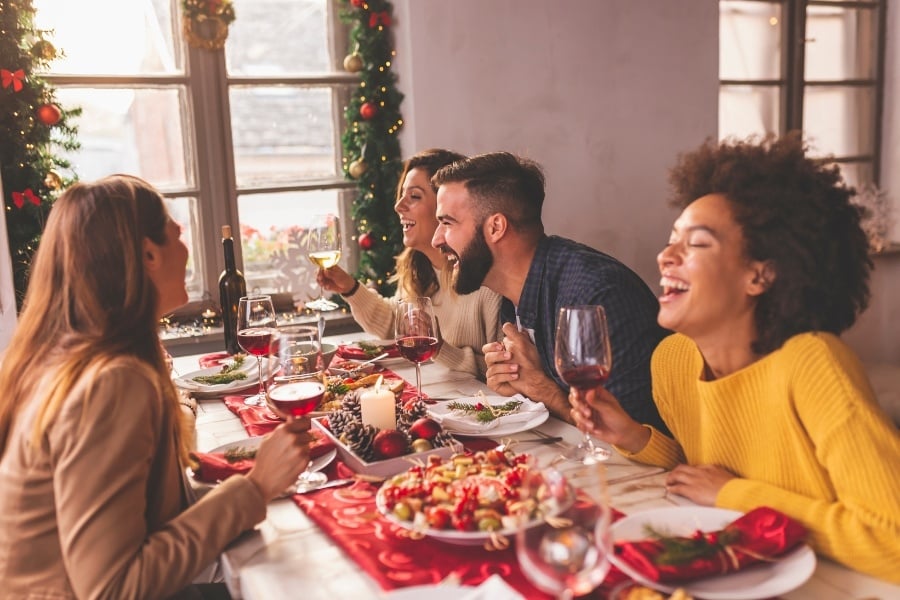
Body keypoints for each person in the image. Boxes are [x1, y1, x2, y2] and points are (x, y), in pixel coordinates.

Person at [570, 133, 900, 582]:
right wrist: (634, 437)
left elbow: (891, 539)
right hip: (742, 574)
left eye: (697, 244)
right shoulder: (673, 360)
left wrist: (738, 496)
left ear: (759, 275)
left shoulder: (814, 364)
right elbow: (702, 474)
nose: (665, 256)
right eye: (671, 241)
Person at [0, 175, 312, 599]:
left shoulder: (68, 357)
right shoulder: (110, 382)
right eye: (176, 232)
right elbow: (113, 588)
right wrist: (255, 487)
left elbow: (144, 516)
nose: (185, 246)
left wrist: (254, 488)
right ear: (148, 254)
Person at [430, 151, 669, 430]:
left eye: (447, 223)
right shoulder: (510, 296)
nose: (436, 239)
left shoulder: (596, 296)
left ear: (496, 227)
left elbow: (633, 437)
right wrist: (519, 387)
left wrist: (542, 390)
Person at [317, 148, 502, 379]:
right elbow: (395, 323)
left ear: (445, 206)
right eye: (402, 195)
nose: (398, 206)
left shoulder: (487, 284)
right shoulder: (418, 268)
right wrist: (350, 288)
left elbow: (501, 373)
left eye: (414, 196)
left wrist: (438, 347)